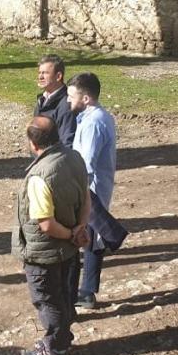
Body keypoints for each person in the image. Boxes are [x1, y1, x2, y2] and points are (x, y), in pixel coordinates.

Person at [14, 116, 90, 355]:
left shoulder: (39, 176)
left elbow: (45, 224)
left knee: (48, 301)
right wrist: (79, 229)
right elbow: (86, 198)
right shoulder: (74, 157)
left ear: (33, 145)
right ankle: (63, 340)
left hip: (43, 253)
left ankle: (55, 349)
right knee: (66, 296)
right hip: (69, 249)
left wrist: (70, 234)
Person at [67, 73, 118, 310]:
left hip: (91, 190)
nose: (69, 101)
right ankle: (85, 290)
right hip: (95, 187)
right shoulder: (95, 117)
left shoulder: (94, 123)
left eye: (72, 96)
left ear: (86, 98)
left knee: (91, 237)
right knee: (92, 237)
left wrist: (77, 193)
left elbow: (86, 164)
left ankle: (86, 292)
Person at [33, 55, 76, 147]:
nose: (40, 77)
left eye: (45, 73)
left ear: (58, 76)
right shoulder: (42, 100)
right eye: (39, 72)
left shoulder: (66, 104)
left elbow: (67, 142)